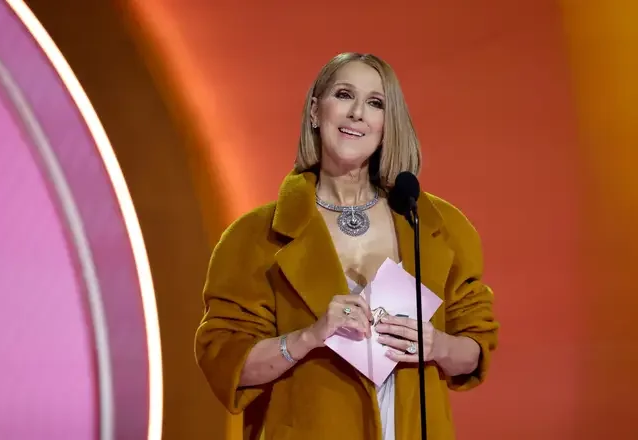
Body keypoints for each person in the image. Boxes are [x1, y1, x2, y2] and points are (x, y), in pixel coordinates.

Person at [195, 52, 499, 440]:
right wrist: (310, 336)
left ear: (387, 125)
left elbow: (477, 346)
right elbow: (225, 361)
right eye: (344, 95)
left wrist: (437, 345)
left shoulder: (437, 226)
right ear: (315, 112)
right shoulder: (254, 237)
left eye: (375, 103)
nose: (358, 113)